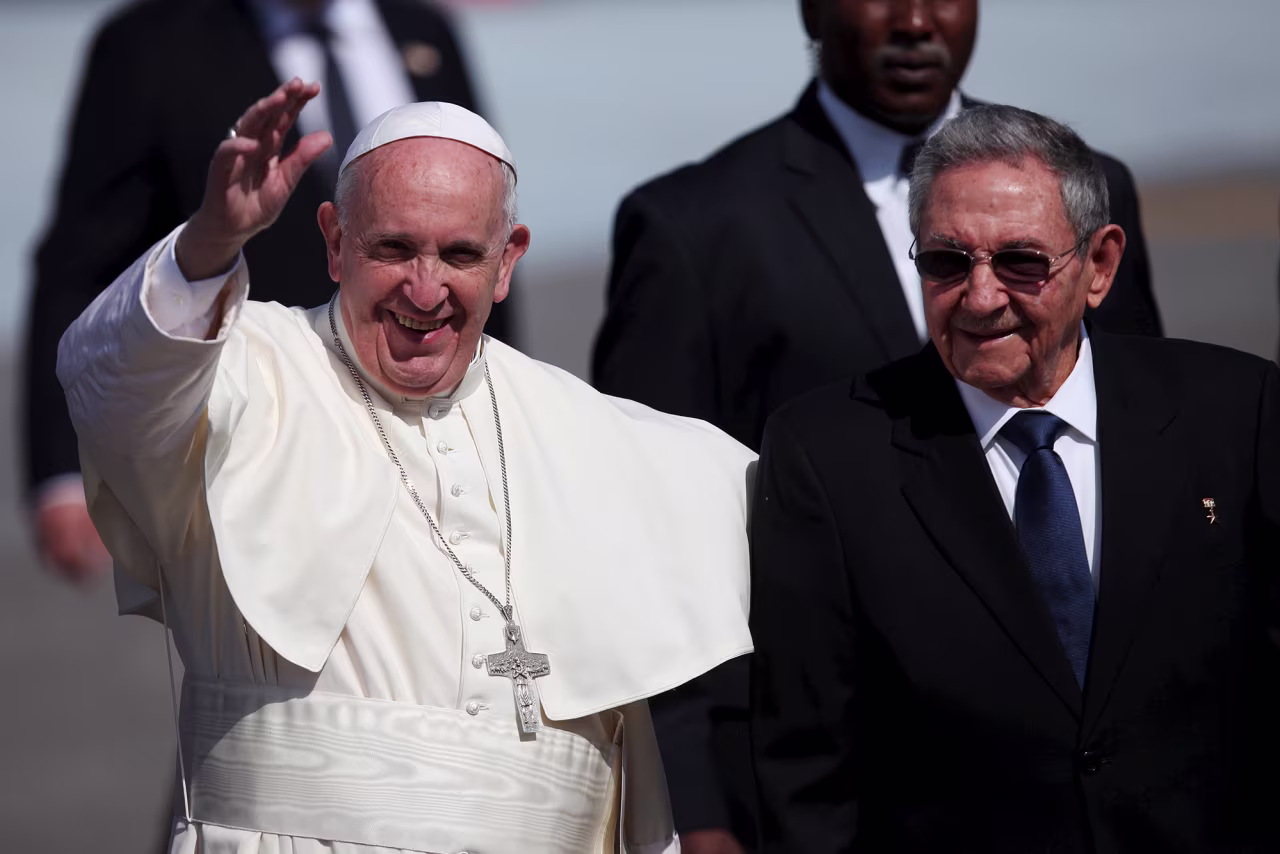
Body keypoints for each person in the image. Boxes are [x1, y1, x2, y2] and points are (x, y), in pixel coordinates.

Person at [58, 80, 755, 853]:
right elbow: (107, 381)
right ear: (333, 240)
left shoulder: (601, 434)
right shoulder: (240, 373)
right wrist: (211, 244)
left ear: (508, 260)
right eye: (393, 248)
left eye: (461, 254)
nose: (426, 291)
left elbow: (824, 516)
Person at [594, 5, 1162, 849]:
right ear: (814, 11)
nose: (914, 20)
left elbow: (1145, 462)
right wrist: (697, 803)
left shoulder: (1089, 192)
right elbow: (643, 535)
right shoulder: (696, 227)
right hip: (847, 790)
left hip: (1115, 779)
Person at [749, 104, 1280, 852]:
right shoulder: (829, 455)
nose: (982, 297)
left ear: (1098, 266)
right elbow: (808, 771)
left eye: (1021, 262)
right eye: (946, 262)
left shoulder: (1236, 412)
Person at [25, 0, 513, 583]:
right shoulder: (148, 44)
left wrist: (500, 421)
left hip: (429, 444)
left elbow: (483, 239)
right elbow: (81, 258)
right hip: (246, 445)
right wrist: (62, 469)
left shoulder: (424, 29)